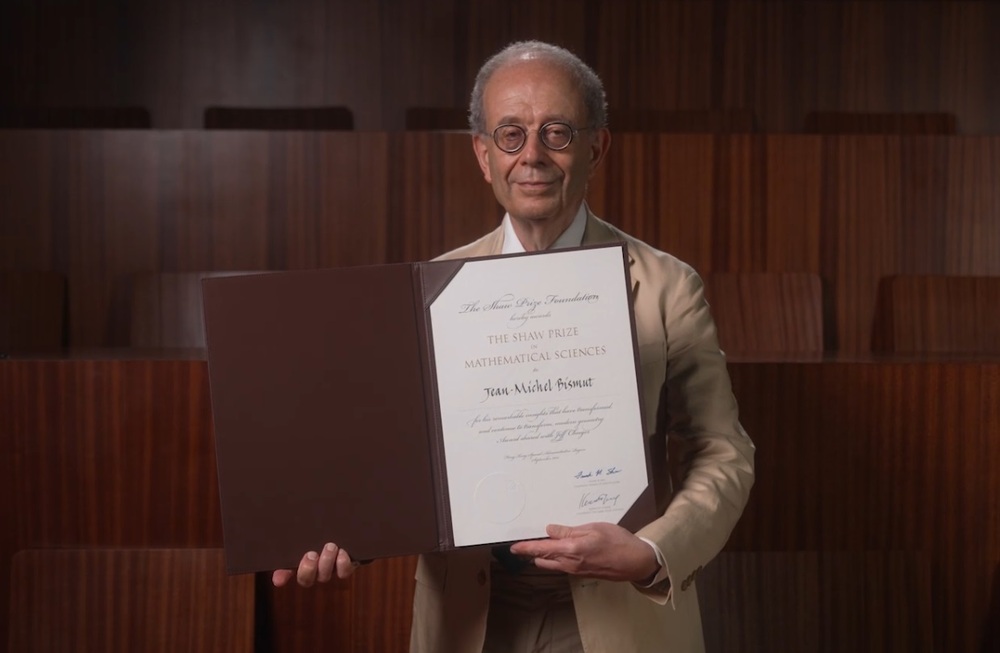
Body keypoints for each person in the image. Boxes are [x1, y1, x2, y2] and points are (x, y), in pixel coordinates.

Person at [273, 40, 755, 653]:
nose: (532, 156)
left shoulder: (667, 288)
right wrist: (343, 539)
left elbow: (724, 452)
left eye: (556, 132)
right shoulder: (430, 291)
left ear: (596, 147)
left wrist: (651, 553)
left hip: (619, 613)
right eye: (510, 134)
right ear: (483, 154)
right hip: (471, 614)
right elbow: (397, 467)